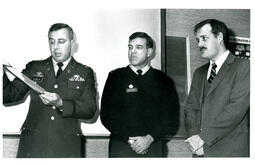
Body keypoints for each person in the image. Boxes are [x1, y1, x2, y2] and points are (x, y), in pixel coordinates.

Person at [3, 23, 97, 158]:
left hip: (66, 147)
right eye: (52, 42)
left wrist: (60, 103)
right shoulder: (34, 67)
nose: (56, 47)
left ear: (72, 43)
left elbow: (90, 109)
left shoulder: (85, 72)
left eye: (61, 41)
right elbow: (8, 96)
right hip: (33, 145)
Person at [100, 32, 180, 157]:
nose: (132, 51)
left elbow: (171, 119)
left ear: (149, 52)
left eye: (138, 47)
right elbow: (107, 116)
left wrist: (150, 138)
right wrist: (131, 140)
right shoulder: (115, 77)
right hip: (122, 146)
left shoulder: (164, 80)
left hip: (154, 147)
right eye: (130, 47)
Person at [184, 19, 249, 157]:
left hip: (230, 151)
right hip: (199, 151)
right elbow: (191, 107)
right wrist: (194, 138)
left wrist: (203, 138)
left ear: (219, 37)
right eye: (197, 40)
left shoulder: (245, 67)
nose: (199, 44)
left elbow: (236, 109)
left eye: (204, 38)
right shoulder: (199, 72)